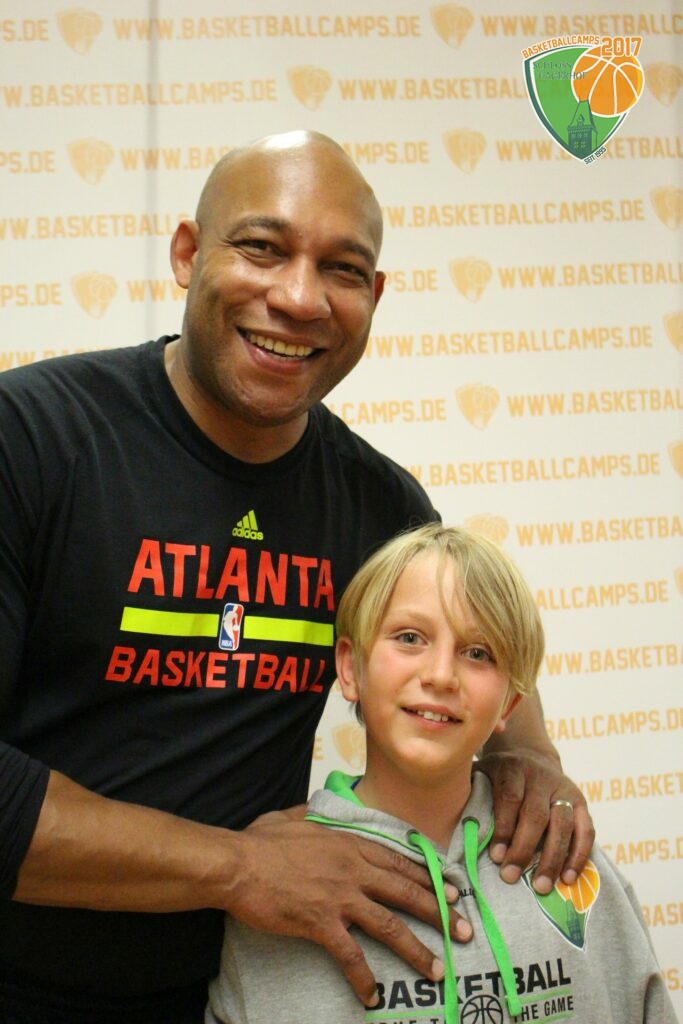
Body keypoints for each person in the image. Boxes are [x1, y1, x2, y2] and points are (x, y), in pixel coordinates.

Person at [0, 131, 592, 1023]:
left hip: (239, 995)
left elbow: (487, 651)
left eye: (341, 269)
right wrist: (241, 867)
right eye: (261, 247)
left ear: (373, 298)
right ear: (187, 254)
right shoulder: (31, 440)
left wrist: (529, 759)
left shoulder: (378, 502)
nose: (299, 297)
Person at [207, 524, 676, 1024]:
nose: (440, 675)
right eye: (410, 638)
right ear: (350, 667)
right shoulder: (282, 885)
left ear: (509, 704)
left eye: (478, 653)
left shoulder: (573, 865)